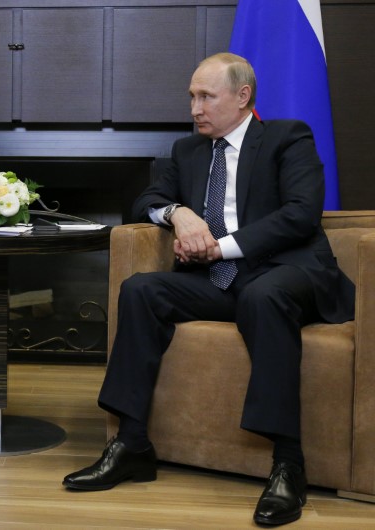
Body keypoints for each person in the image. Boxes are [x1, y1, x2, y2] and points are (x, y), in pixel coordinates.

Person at [62, 52, 355, 527]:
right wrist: (179, 213)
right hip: (221, 285)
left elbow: (301, 214)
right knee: (140, 289)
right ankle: (131, 444)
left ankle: (288, 464)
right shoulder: (188, 151)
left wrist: (221, 248)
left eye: (206, 97)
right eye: (192, 97)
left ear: (242, 97)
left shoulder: (287, 137)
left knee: (263, 296)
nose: (195, 108)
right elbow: (147, 200)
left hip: (287, 271)